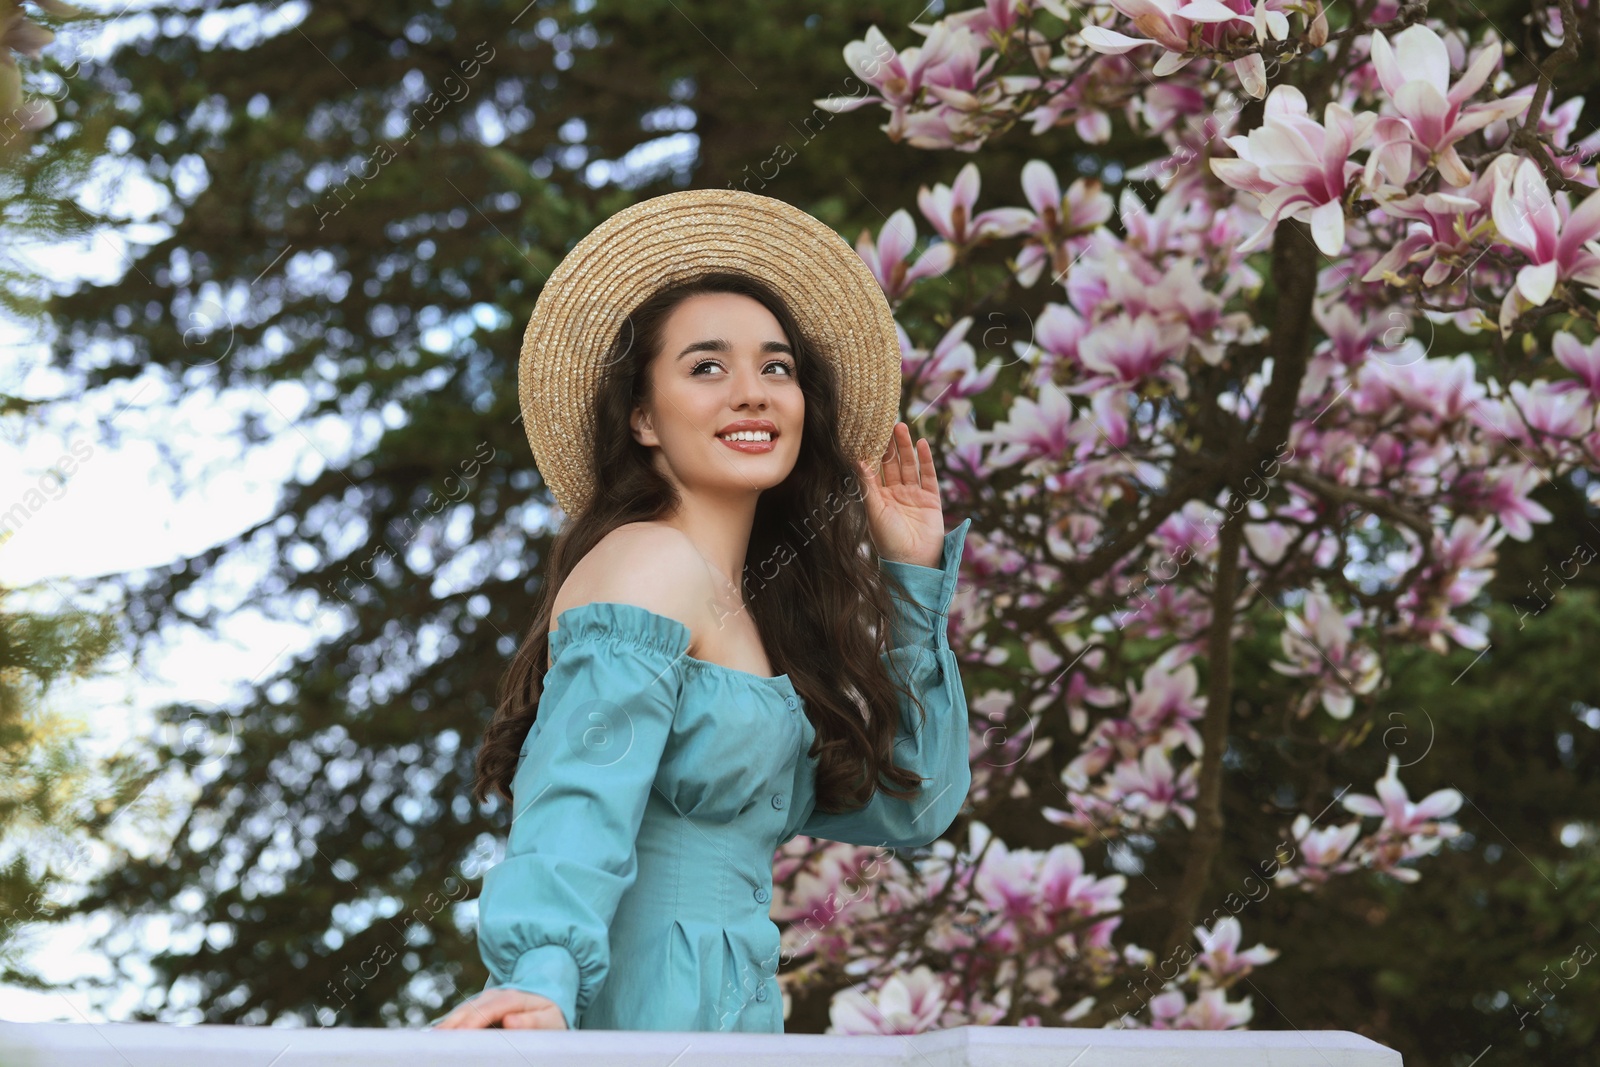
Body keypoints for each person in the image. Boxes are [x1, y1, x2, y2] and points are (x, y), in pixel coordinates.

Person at [432, 189, 973, 1032]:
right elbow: (579, 795)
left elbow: (916, 802)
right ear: (643, 415)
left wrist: (910, 577)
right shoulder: (647, 561)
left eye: (777, 367)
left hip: (738, 1025)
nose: (752, 393)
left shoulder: (766, 617)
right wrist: (540, 975)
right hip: (639, 1016)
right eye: (707, 366)